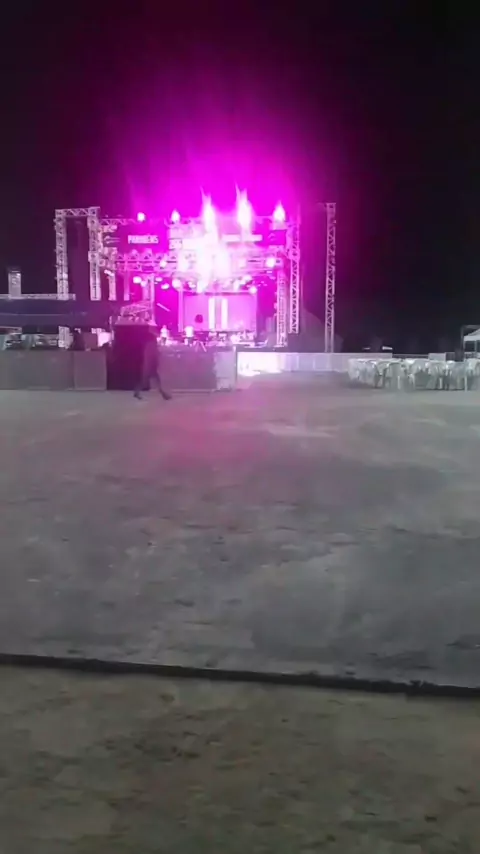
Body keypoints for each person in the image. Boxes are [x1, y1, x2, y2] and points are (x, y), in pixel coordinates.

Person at [134, 330, 171, 400]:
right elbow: (153, 355)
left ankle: (163, 394)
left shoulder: (149, 346)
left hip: (149, 366)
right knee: (148, 381)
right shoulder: (151, 345)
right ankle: (163, 394)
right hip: (150, 366)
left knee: (149, 380)